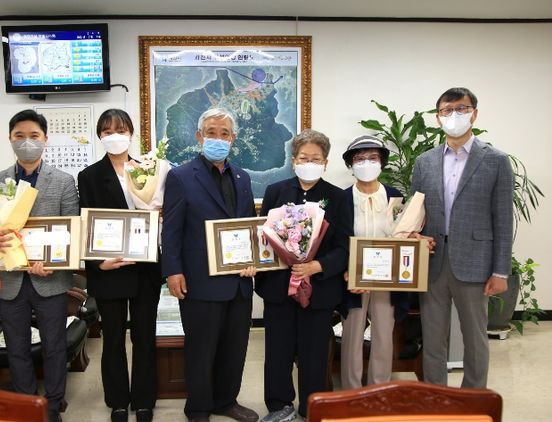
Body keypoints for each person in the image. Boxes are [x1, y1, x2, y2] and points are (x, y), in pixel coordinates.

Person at [0, 109, 79, 422]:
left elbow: (71, 230)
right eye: (19, 136)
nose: (26, 142)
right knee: (17, 347)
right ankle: (27, 406)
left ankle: (52, 406)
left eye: (33, 136)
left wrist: (54, 263)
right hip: (11, 282)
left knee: (54, 347)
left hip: (50, 280)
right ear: (10, 139)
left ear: (45, 139)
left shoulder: (63, 181)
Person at [411, 87, 513, 388]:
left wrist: (501, 272)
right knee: (433, 337)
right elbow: (416, 212)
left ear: (474, 114)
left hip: (475, 262)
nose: (454, 115)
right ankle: (436, 396)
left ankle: (474, 396)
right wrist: (415, 236)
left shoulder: (495, 160)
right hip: (433, 261)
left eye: (461, 109)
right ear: (438, 117)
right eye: (447, 110)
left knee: (475, 336)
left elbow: (503, 219)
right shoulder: (424, 161)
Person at [161, 108, 258, 422]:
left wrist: (254, 259)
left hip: (238, 281)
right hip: (199, 280)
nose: (218, 138)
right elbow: (171, 229)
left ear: (233, 139)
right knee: (201, 349)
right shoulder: (180, 176)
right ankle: (199, 407)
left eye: (224, 133)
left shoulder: (242, 177)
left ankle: (226, 401)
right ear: (199, 137)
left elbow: (248, 226)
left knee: (235, 347)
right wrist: (172, 271)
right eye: (211, 132)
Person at [255, 129, 353, 421]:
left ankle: (313, 407)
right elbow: (264, 237)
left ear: (325, 162)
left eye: (316, 158)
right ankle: (279, 406)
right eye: (303, 157)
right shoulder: (275, 191)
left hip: (319, 287)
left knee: (314, 353)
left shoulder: (338, 197)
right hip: (279, 286)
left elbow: (344, 244)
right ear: (293, 160)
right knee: (278, 350)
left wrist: (317, 266)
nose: (309, 163)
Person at [77, 109, 163, 422]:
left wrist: (159, 216)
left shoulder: (149, 170)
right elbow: (85, 223)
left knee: (144, 336)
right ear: (100, 136)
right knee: (113, 339)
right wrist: (98, 263)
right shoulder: (88, 176)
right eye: (108, 131)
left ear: (131, 134)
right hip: (109, 269)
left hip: (144, 268)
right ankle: (117, 401)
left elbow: (160, 211)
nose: (115, 136)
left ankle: (144, 400)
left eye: (121, 130)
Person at [339, 135, 408, 389]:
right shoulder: (342, 198)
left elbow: (403, 235)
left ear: (382, 162)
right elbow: (337, 240)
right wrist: (346, 270)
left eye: (372, 158)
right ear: (351, 164)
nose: (366, 163)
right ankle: (351, 391)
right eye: (359, 159)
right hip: (353, 279)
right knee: (352, 335)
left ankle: (379, 389)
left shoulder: (394, 197)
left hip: (386, 277)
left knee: (383, 334)